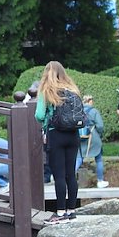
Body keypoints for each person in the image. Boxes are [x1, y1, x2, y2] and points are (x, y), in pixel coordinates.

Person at [35, 61, 81, 224]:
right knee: (71, 174)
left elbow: (39, 115)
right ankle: (72, 210)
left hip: (56, 135)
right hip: (73, 135)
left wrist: (48, 116)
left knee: (59, 175)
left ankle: (61, 212)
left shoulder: (47, 90)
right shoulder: (73, 89)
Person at [75, 95, 109, 188]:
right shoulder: (94, 111)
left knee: (78, 158)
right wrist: (99, 134)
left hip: (80, 137)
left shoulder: (78, 111)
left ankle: (68, 180)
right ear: (89, 101)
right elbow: (100, 126)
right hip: (93, 137)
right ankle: (100, 181)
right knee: (98, 159)